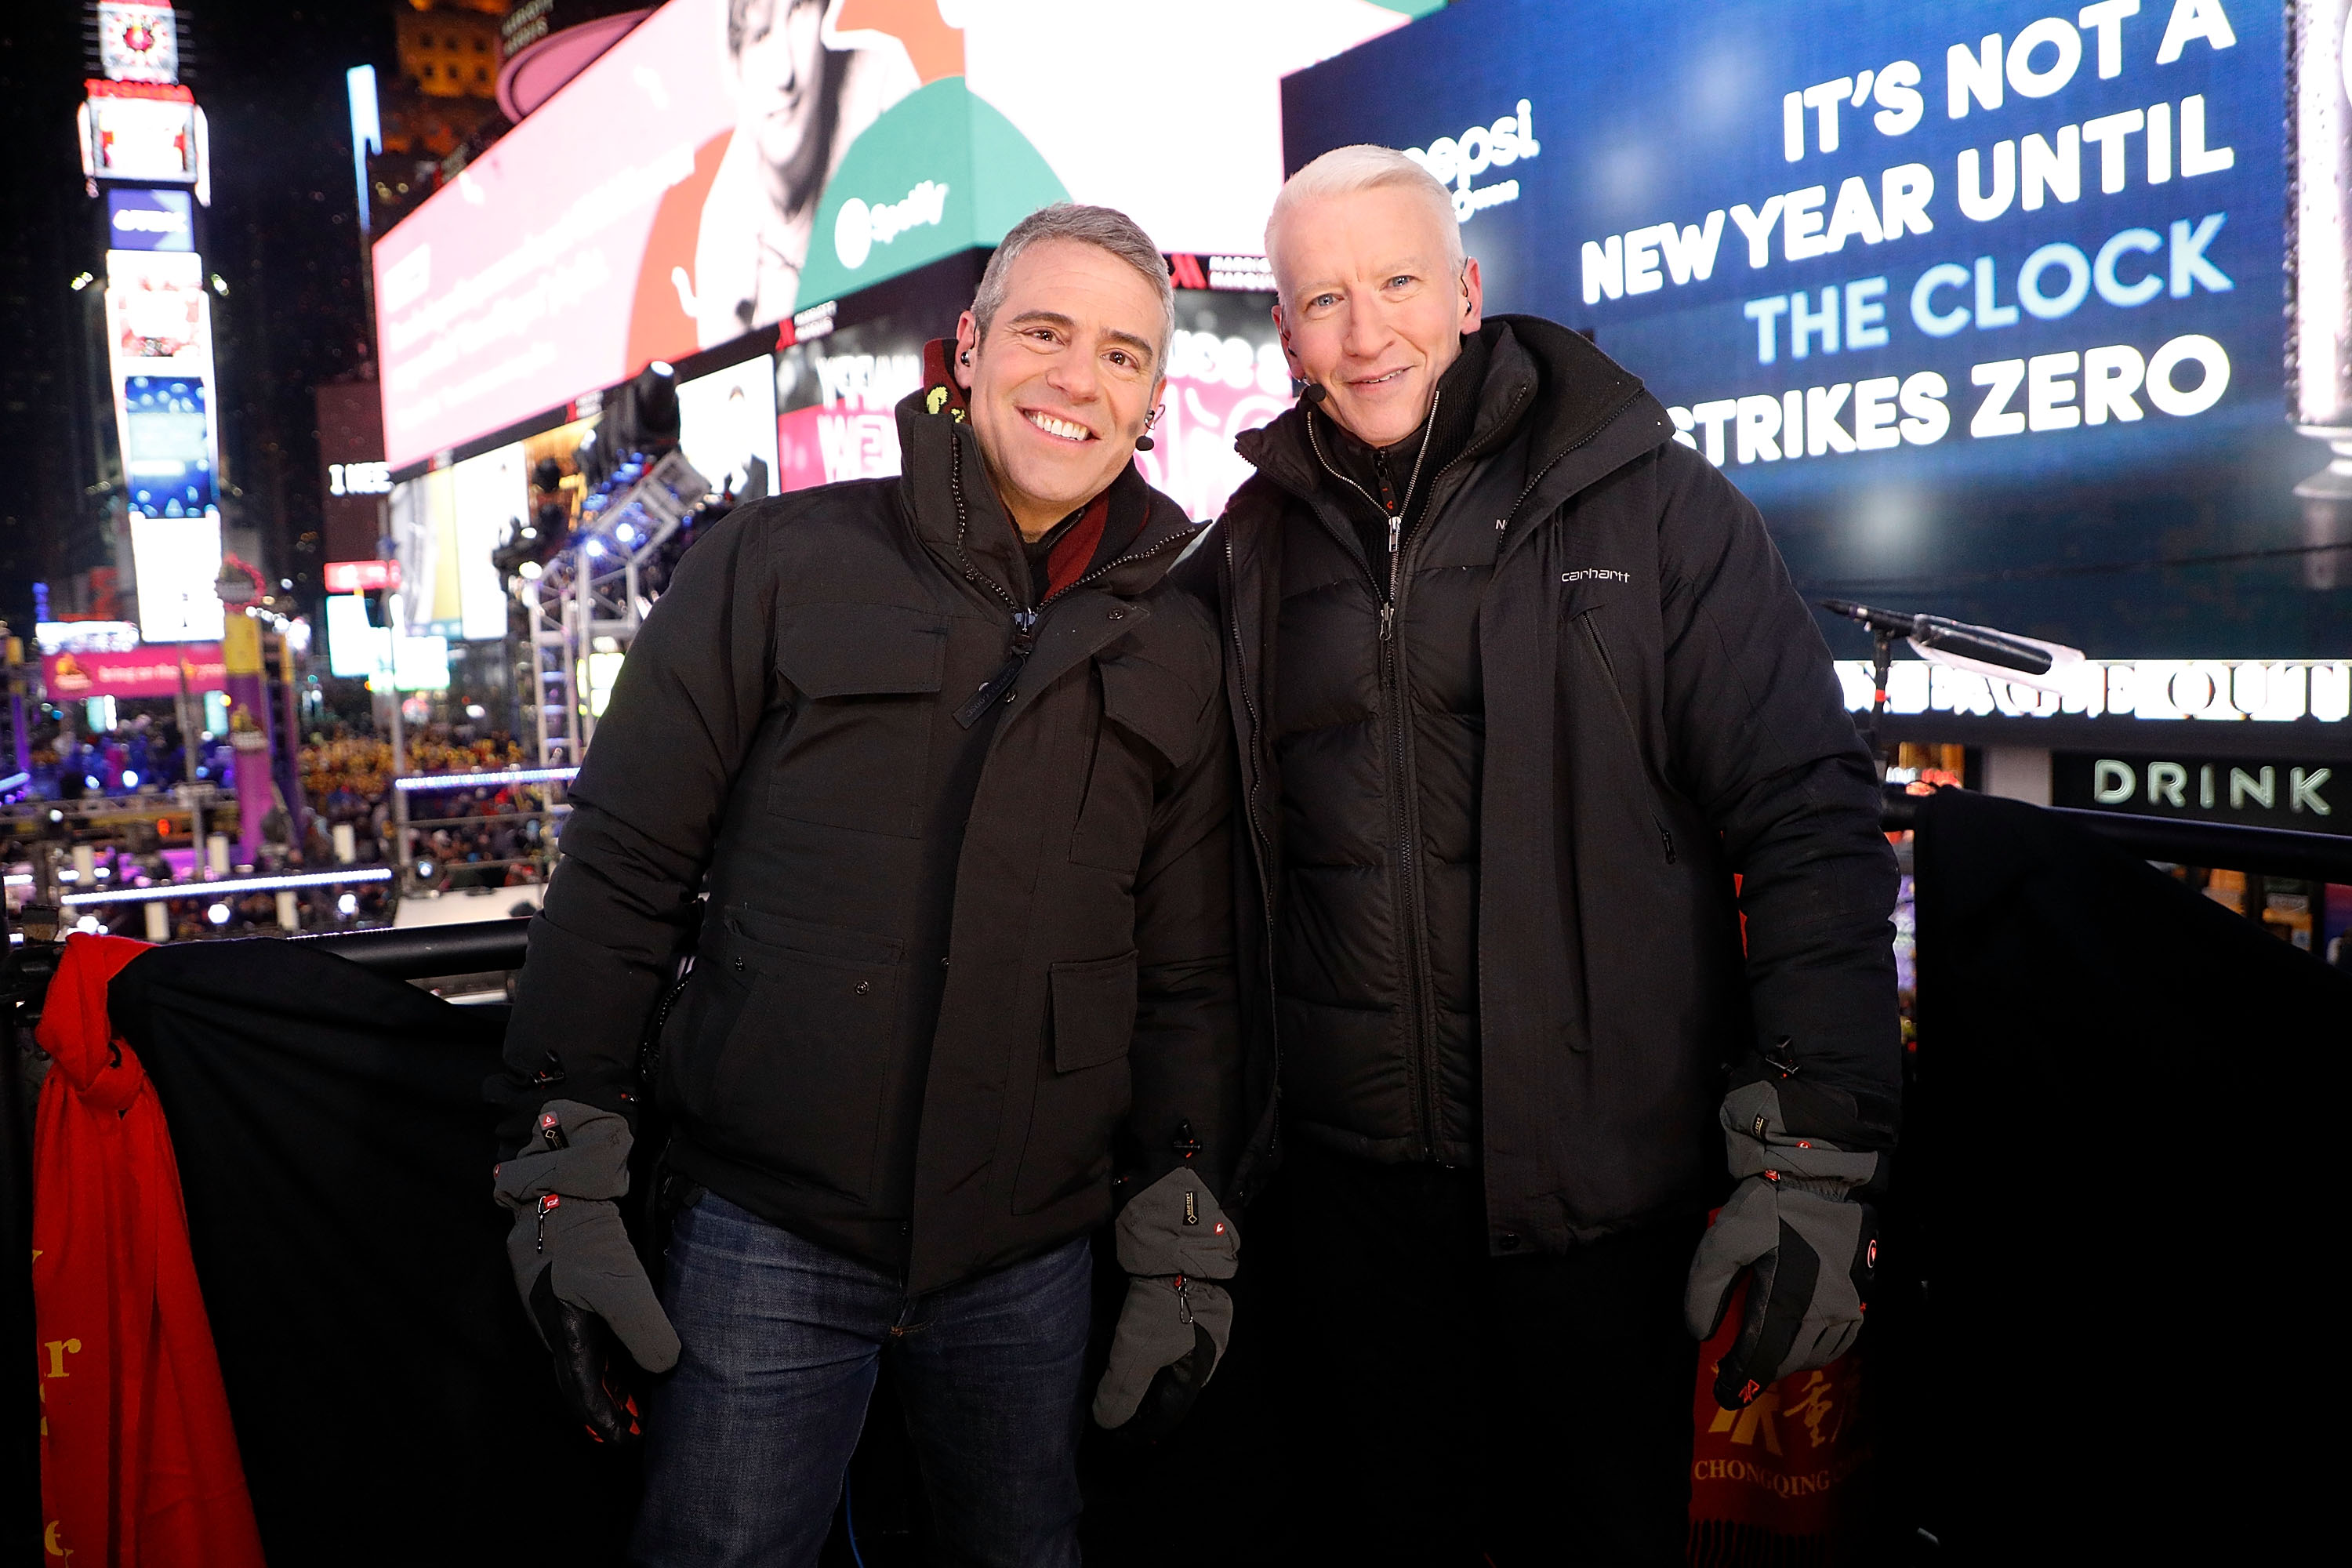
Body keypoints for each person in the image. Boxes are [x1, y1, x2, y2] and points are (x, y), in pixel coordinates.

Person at [494, 203, 1251, 1568]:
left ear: (1153, 396)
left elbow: (1185, 972)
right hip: (763, 1242)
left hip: (1030, 1264)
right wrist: (561, 1166)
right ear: (967, 349)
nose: (1080, 379)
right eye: (1045, 332)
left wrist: (1183, 1211)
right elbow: (624, 869)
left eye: (1125, 355)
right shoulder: (776, 563)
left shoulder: (1182, 640)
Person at [1204, 147, 1901, 1564]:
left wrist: (1816, 1156)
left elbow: (1809, 813)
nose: (1365, 330)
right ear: (1285, 332)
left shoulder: (1649, 504)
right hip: (1350, 1223)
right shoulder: (1252, 547)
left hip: (1604, 1209)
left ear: (1464, 292)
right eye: (1324, 298)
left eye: (1398, 282)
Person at [691, 0, 917, 347]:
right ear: (734, 65)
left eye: (797, 11)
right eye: (759, 34)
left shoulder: (882, 90)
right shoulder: (723, 233)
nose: (785, 73)